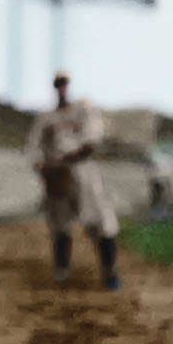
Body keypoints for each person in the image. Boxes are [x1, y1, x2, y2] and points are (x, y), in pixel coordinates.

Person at [25, 70, 121, 289]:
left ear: (69, 86)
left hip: (84, 173)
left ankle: (111, 272)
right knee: (60, 224)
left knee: (102, 221)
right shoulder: (45, 118)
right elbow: (32, 148)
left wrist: (65, 158)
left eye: (64, 83)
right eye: (58, 84)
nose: (62, 88)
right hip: (58, 176)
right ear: (54, 87)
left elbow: (91, 142)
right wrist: (43, 167)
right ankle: (62, 270)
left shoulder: (84, 108)